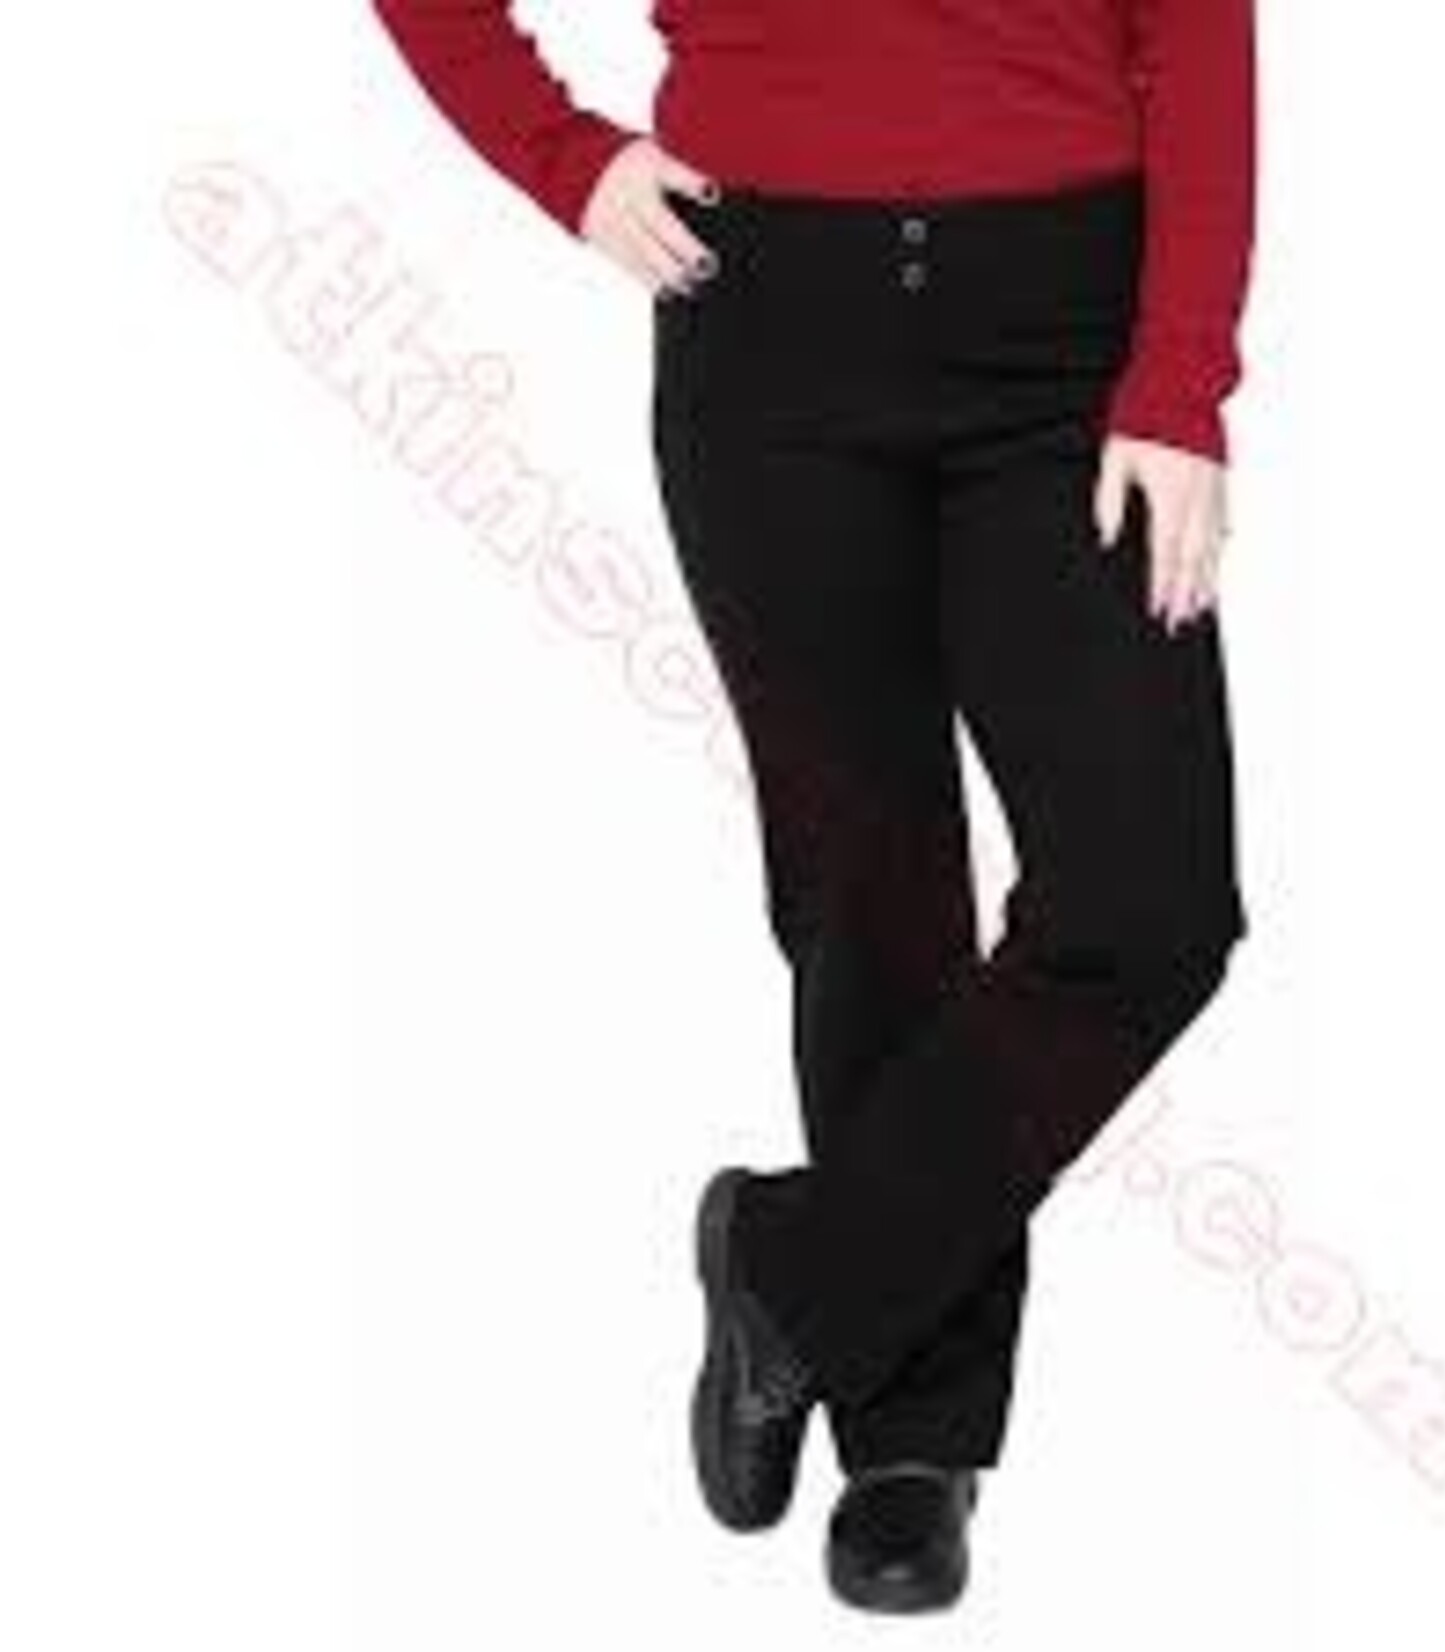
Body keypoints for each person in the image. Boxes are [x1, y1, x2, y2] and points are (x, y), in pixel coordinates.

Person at [371, 0, 1257, 1614]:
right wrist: (561, 159)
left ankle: (798, 1273)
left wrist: (1180, 376)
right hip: (769, 330)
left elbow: (1199, 32)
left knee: (1150, 906)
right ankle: (909, 1447)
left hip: (1066, 339)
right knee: (872, 900)